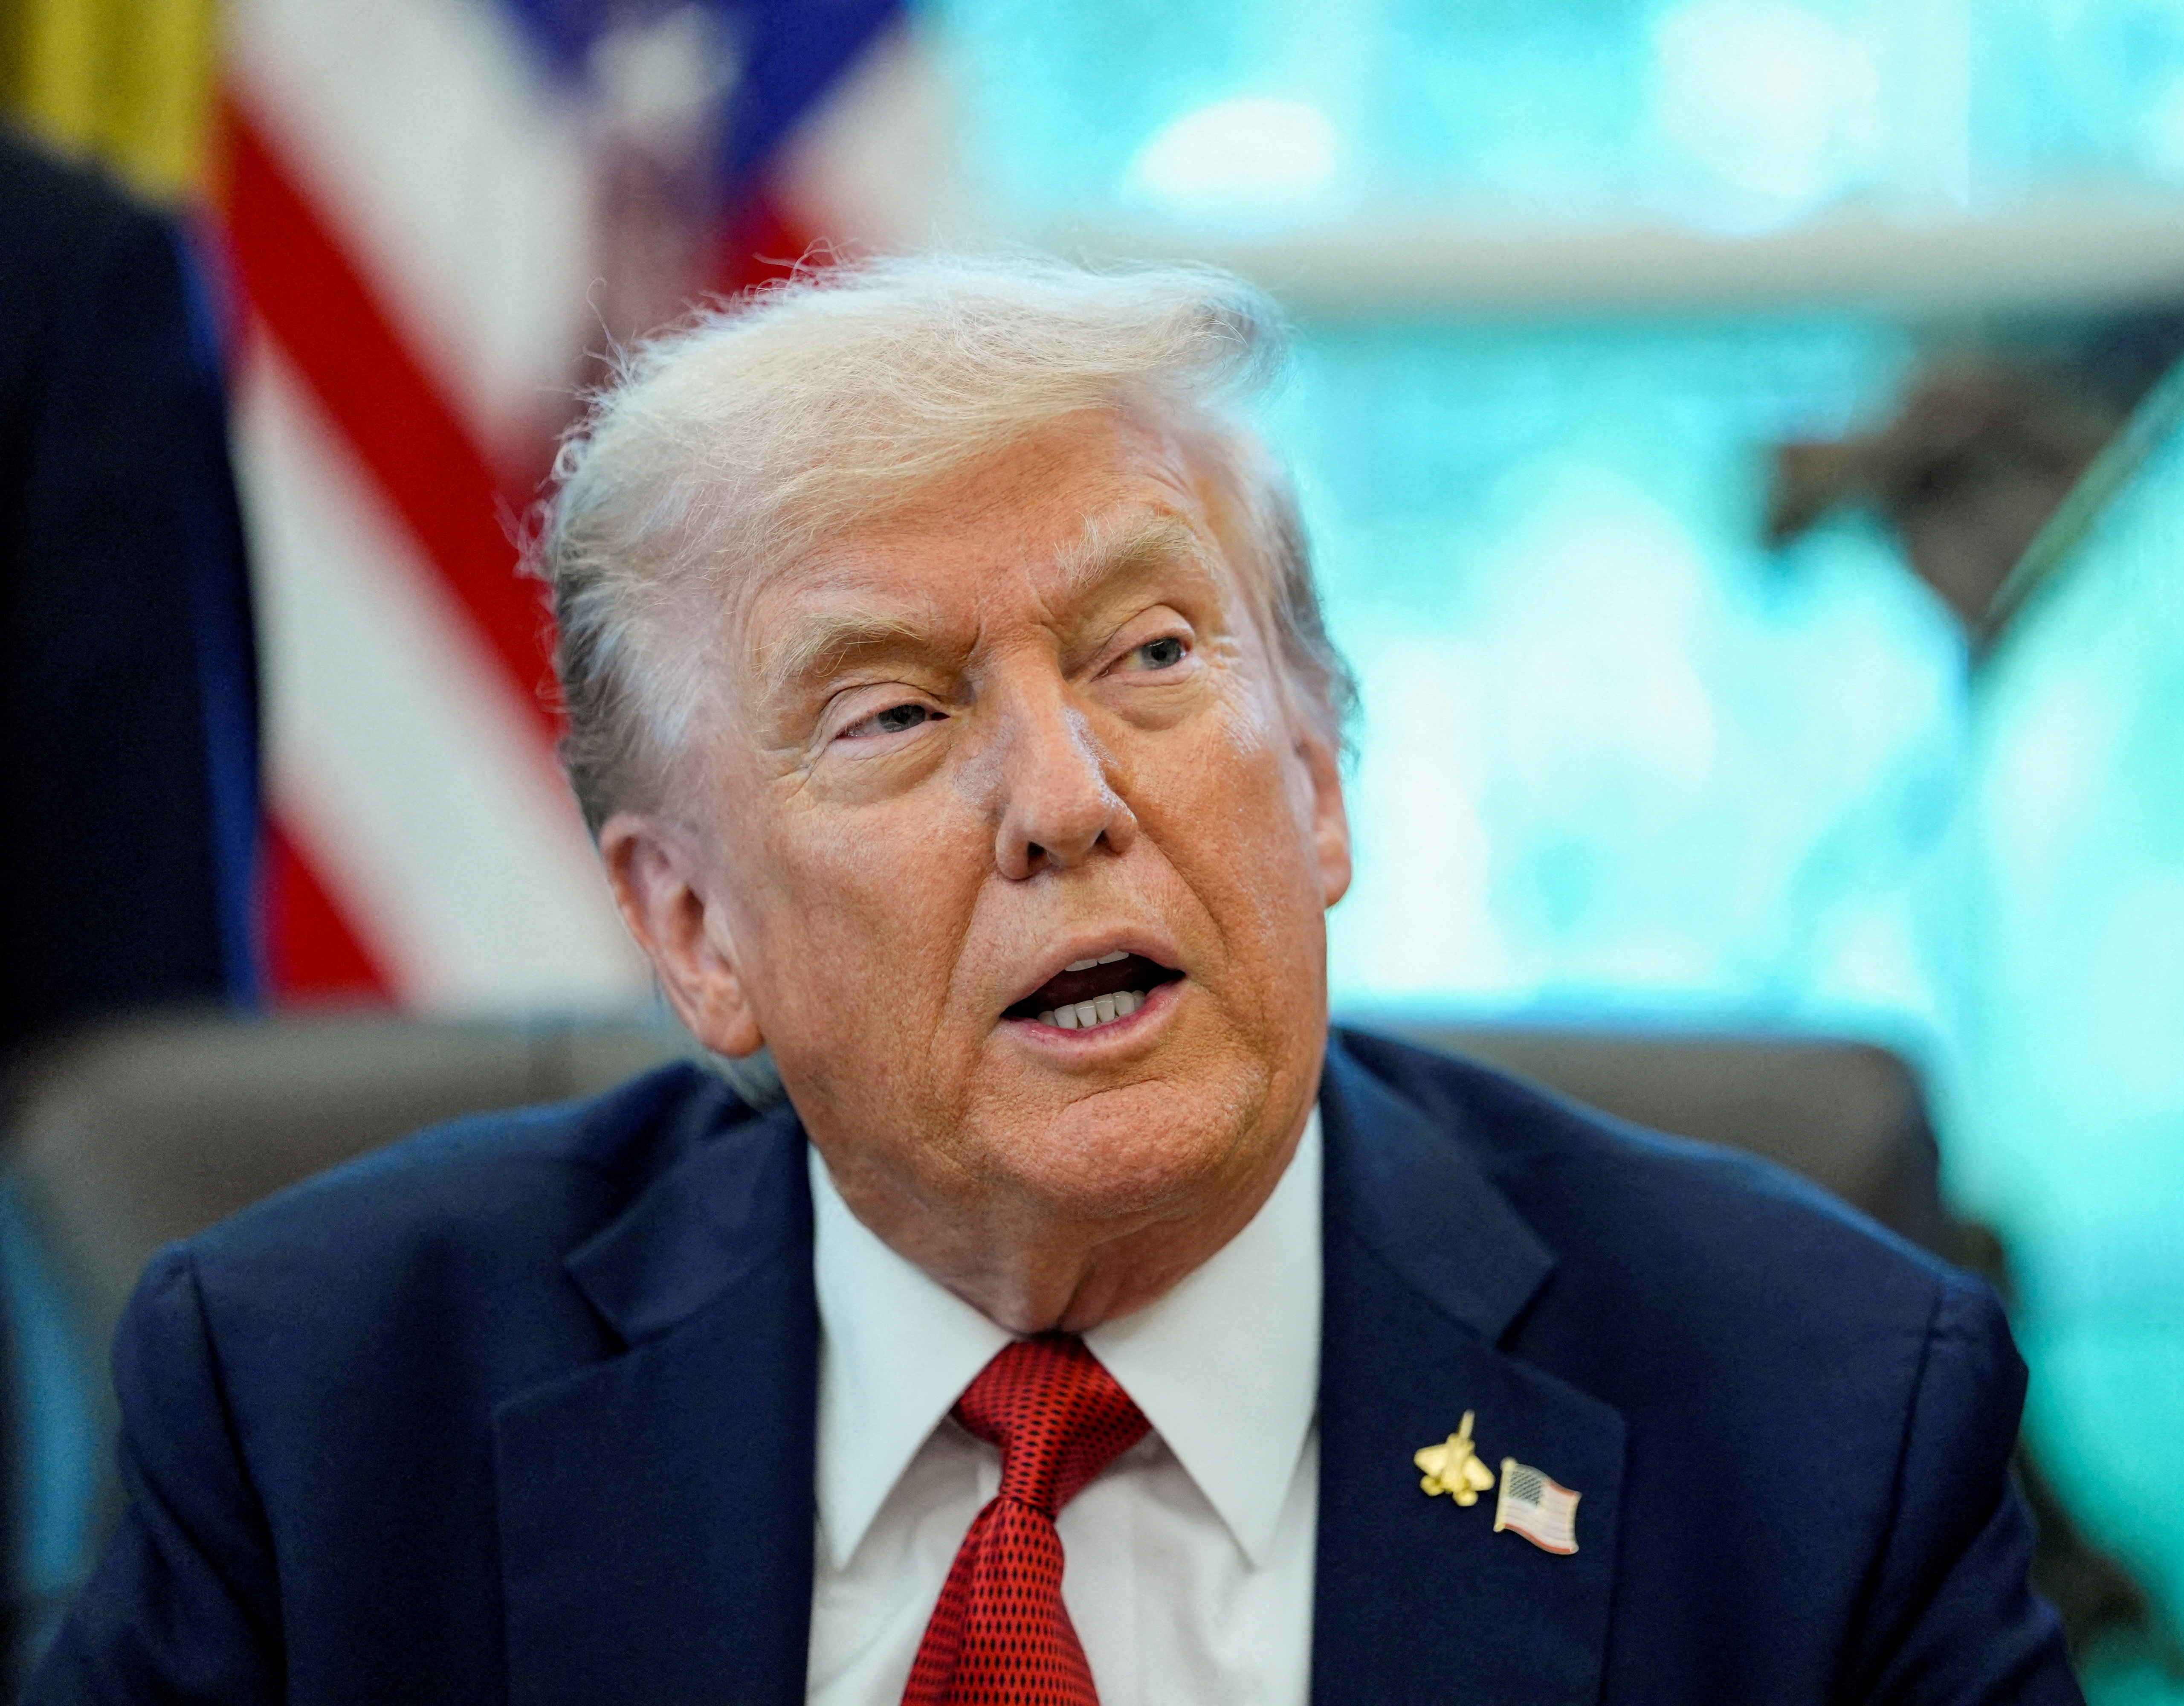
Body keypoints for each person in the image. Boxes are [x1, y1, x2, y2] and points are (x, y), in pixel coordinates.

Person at [29, 256, 2078, 1704]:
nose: (1067, 799)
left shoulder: (1813, 1424)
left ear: (1323, 777)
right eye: (898, 712)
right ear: (691, 932)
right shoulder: (323, 1415)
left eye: (1153, 656)